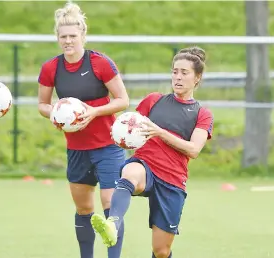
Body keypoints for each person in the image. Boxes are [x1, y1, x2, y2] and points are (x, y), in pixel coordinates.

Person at [91, 46, 214, 258]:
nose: (177, 77)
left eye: (184, 73)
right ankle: (113, 223)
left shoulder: (202, 114)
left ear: (197, 78)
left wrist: (160, 132)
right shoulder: (154, 100)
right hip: (145, 165)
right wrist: (121, 137)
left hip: (173, 180)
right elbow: (131, 130)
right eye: (175, 71)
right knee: (129, 172)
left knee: (161, 251)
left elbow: (193, 150)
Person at [37, 3, 129, 258]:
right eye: (63, 36)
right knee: (84, 209)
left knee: (110, 206)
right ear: (57, 37)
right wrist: (55, 113)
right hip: (77, 149)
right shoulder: (51, 68)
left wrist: (92, 112)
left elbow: (122, 100)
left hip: (108, 146)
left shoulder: (100, 63)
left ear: (82, 36)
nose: (68, 41)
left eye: (72, 36)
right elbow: (42, 105)